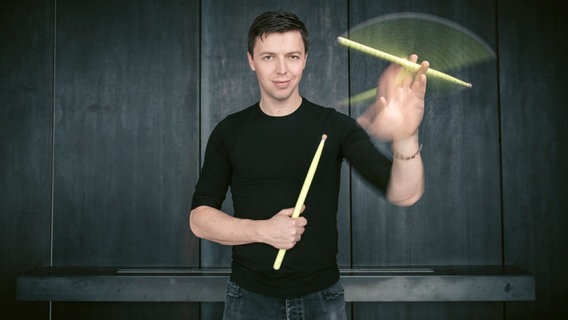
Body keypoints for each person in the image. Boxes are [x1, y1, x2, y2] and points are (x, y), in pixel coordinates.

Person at [190, 11, 429, 320]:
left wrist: (406, 137)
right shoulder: (230, 131)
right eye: (268, 57)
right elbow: (199, 220)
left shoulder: (335, 126)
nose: (282, 69)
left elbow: (404, 193)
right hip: (248, 298)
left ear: (305, 59)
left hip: (322, 299)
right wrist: (264, 231)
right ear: (251, 60)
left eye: (292, 56)